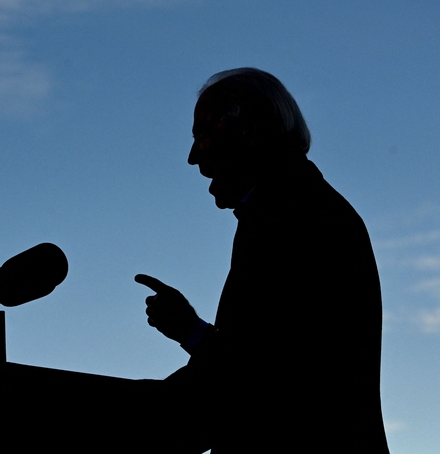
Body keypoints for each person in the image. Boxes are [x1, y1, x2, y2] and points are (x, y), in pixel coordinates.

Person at [135, 68, 391, 453]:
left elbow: (265, 381)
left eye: (202, 134)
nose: (192, 157)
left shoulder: (296, 217)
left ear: (248, 131)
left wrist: (125, 422)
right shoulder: (292, 208)